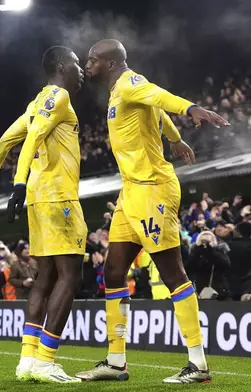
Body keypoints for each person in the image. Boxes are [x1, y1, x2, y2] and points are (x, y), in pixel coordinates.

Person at [76, 39, 228, 384]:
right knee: (113, 273)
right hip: (131, 192)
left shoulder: (130, 82)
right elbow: (154, 110)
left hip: (153, 188)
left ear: (111, 63)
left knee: (172, 273)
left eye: (93, 60)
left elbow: (158, 96)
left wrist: (190, 109)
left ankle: (198, 364)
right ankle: (116, 363)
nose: (88, 65)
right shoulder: (120, 92)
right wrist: (174, 137)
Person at [0, 46, 86, 383]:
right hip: (58, 196)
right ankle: (46, 361)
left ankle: (27, 360)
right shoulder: (59, 96)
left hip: (39, 200)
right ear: (62, 66)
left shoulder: (34, 104)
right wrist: (17, 183)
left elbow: (5, 142)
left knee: (45, 278)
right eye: (77, 63)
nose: (81, 70)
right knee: (71, 276)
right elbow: (32, 137)